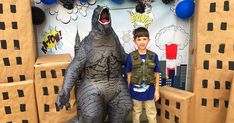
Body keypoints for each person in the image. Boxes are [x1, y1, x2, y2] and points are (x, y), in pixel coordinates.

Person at [126, 27, 160, 123]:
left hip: (150, 90)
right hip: (135, 90)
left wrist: (157, 90)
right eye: (139, 39)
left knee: (151, 113)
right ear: (134, 41)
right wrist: (129, 89)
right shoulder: (131, 56)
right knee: (136, 112)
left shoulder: (154, 56)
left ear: (148, 40)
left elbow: (157, 74)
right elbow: (129, 74)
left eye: (144, 39)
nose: (142, 42)